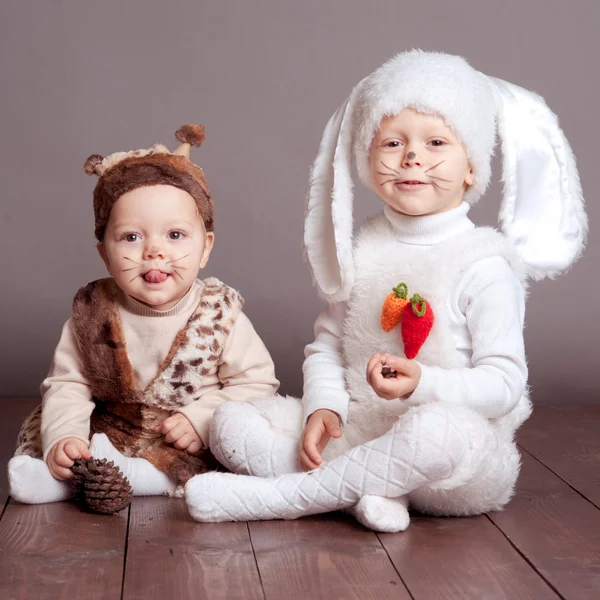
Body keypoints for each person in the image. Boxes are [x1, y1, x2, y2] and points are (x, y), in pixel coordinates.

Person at [184, 51, 587, 532]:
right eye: (393, 142)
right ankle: (361, 492)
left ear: (471, 169)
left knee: (437, 431)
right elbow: (329, 345)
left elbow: (504, 387)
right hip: (360, 434)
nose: (412, 157)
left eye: (436, 142)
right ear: (368, 160)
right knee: (228, 423)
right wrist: (324, 408)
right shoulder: (365, 248)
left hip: (450, 467)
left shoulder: (485, 264)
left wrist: (425, 383)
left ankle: (282, 496)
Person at [9, 124, 279, 503]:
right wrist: (65, 437)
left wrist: (201, 419)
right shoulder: (93, 314)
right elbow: (68, 385)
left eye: (175, 235)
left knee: (232, 443)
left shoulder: (219, 314)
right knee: (56, 433)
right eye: (132, 237)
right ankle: (62, 473)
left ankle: (135, 478)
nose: (154, 251)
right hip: (112, 429)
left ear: (205, 248)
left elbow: (257, 383)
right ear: (104, 253)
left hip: (183, 438)